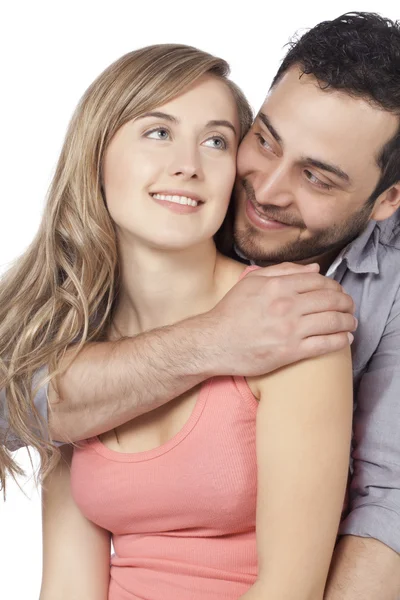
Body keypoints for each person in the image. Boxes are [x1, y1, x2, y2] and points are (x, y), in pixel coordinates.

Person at [2, 9, 399, 599]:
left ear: (385, 200)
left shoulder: (307, 319)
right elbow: (22, 411)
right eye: (261, 140)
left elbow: (385, 504)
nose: (263, 189)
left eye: (317, 178)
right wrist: (213, 339)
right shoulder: (90, 313)